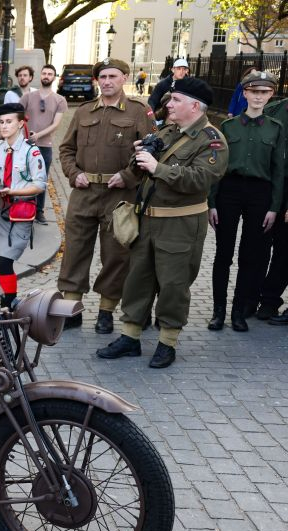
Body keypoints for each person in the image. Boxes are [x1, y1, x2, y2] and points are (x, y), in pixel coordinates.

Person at [97, 78, 228, 369]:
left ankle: (167, 342)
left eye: (175, 100)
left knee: (173, 284)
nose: (168, 104)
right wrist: (139, 155)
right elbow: (142, 170)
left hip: (180, 224)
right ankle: (130, 337)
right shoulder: (168, 132)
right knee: (137, 279)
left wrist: (159, 168)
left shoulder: (211, 139)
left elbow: (200, 179)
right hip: (148, 220)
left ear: (194, 105)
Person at [56, 59, 153, 333]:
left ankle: (106, 311)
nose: (107, 81)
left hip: (119, 195)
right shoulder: (84, 111)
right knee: (75, 251)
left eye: (113, 76)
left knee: (116, 254)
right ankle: (71, 308)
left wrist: (129, 176)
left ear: (125, 78)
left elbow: (151, 151)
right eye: (103, 77)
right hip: (84, 194)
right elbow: (66, 150)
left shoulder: (138, 112)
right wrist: (74, 174)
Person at [207, 70, 283, 332]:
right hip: (230, 190)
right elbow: (217, 168)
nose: (258, 97)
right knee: (223, 254)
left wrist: (274, 206)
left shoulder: (276, 129)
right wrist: (212, 202)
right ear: (245, 93)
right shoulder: (228, 127)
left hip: (259, 193)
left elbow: (278, 172)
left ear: (271, 94)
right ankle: (218, 311)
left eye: (264, 92)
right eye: (253, 91)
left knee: (250, 256)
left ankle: (238, 311)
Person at [0, 102, 47, 307]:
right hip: (0, 210)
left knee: (6, 258)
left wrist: (12, 191)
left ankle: (10, 299)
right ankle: (8, 298)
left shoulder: (31, 152)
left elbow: (40, 185)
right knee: (1, 259)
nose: (4, 126)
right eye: (1, 122)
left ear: (20, 123)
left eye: (9, 122)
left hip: (20, 210)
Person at [20, 65, 67, 225]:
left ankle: (39, 211)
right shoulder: (28, 96)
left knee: (41, 180)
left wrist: (38, 135)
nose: (46, 76)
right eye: (44, 73)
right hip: (25, 145)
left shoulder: (60, 100)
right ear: (40, 76)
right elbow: (17, 116)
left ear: (54, 77)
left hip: (45, 146)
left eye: (50, 74)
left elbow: (56, 124)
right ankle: (23, 208)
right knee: (24, 177)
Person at [258, 88, 288, 324]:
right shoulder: (273, 110)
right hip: (274, 186)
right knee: (266, 245)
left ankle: (269, 300)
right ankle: (266, 301)